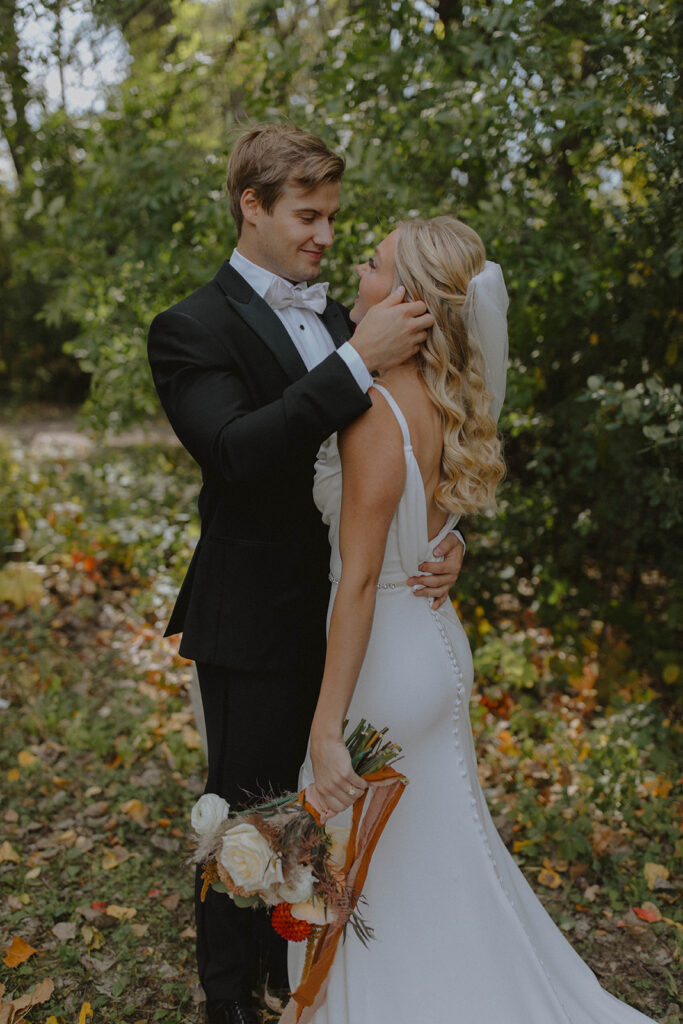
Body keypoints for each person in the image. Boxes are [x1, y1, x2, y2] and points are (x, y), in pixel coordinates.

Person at [288, 216, 657, 1023]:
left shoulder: (373, 414)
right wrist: (448, 544)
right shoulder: (439, 399)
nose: (357, 270)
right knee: (440, 866)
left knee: (367, 877)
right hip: (435, 646)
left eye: (374, 264)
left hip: (383, 658)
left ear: (410, 303)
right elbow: (429, 522)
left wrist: (322, 731)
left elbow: (355, 583)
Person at [146, 124, 467, 1024]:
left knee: (312, 816)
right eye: (306, 215)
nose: (324, 235)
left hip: (356, 615)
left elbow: (410, 441)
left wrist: (441, 541)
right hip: (253, 613)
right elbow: (236, 451)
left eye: (332, 216)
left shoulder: (339, 310)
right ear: (251, 207)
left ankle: (300, 983)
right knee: (243, 816)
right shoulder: (189, 328)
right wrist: (358, 356)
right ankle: (228, 999)